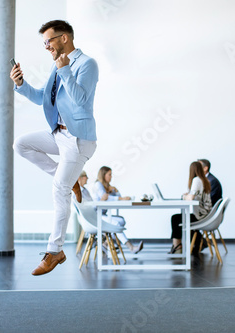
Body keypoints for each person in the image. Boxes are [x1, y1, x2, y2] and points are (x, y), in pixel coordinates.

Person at [10, 20, 99, 276]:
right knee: (21, 144)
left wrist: (66, 71)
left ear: (64, 39)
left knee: (58, 190)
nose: (46, 46)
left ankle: (54, 250)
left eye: (49, 41)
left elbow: (81, 100)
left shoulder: (87, 64)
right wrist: (21, 84)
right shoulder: (56, 65)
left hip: (78, 139)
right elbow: (42, 98)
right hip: (58, 134)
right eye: (44, 42)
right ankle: (72, 181)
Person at [92, 166, 143, 253]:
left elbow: (115, 197)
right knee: (116, 223)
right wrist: (121, 199)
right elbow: (106, 199)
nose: (111, 177)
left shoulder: (106, 186)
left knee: (121, 220)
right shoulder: (98, 185)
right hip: (96, 215)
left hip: (103, 214)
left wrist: (115, 190)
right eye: (109, 175)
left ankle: (105, 241)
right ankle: (130, 247)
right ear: (104, 175)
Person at [169, 162, 212, 254]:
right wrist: (188, 195)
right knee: (177, 218)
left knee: (175, 219)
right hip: (205, 214)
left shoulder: (197, 180)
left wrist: (184, 196)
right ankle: (178, 246)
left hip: (200, 216)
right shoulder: (204, 180)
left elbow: (190, 198)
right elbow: (194, 195)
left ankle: (177, 246)